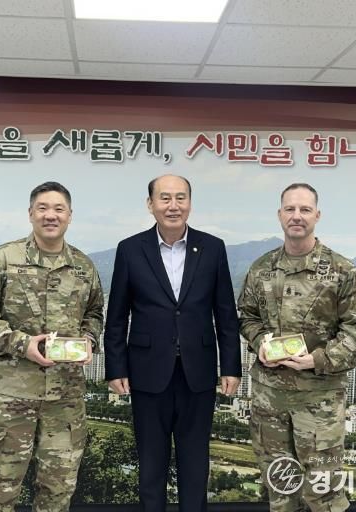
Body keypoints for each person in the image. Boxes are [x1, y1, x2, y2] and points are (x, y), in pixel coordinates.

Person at [0, 181, 104, 512]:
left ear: (70, 215)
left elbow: (95, 313)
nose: (50, 215)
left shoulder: (84, 267)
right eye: (42, 208)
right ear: (30, 214)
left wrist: (88, 340)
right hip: (12, 396)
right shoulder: (3, 259)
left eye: (58, 209)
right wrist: (21, 344)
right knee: (0, 491)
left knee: (58, 491)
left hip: (65, 398)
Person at [103, 174, 242, 512]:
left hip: (199, 371)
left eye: (181, 198)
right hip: (147, 371)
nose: (173, 205)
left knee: (195, 463)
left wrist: (231, 367)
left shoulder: (213, 247)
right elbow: (117, 316)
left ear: (190, 203)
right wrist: (116, 368)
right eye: (165, 198)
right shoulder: (130, 249)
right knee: (151, 464)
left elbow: (225, 312)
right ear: (150, 204)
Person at [237, 183, 356, 512]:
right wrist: (259, 342)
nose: (296, 216)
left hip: (318, 401)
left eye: (305, 209)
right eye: (290, 209)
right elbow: (246, 316)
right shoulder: (261, 269)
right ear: (279, 214)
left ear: (317, 215)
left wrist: (318, 359)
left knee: (323, 495)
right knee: (280, 492)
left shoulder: (342, 271)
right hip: (269, 400)